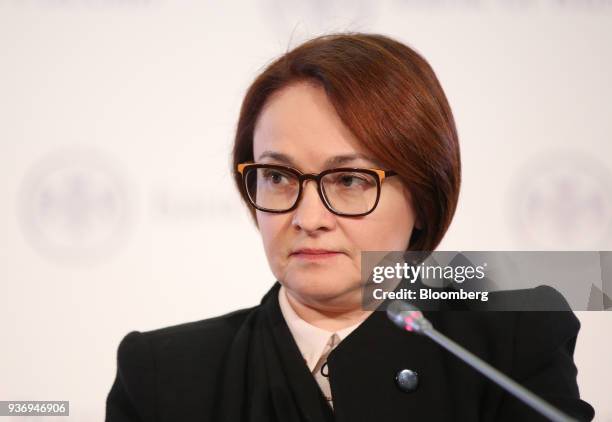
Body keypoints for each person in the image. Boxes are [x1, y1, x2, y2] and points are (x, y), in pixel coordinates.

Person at [105, 32, 595, 421]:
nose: (308, 218)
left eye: (349, 180)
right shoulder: (162, 372)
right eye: (278, 176)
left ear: (423, 198)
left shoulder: (508, 344)